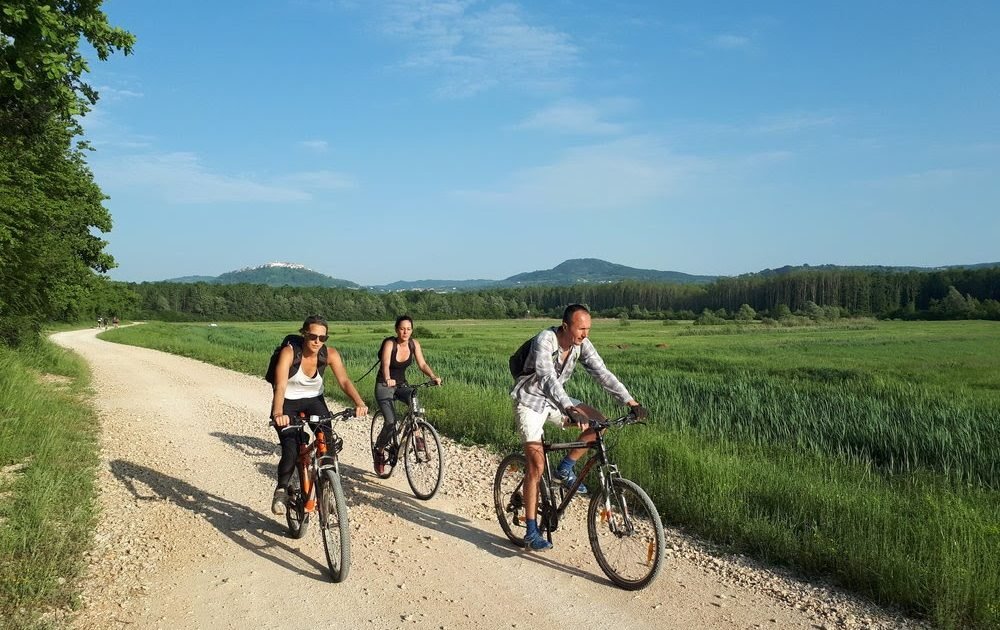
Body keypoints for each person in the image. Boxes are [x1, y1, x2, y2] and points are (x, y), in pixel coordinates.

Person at [510, 304, 642, 551]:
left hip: (557, 400)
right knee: (536, 466)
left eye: (588, 329)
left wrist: (630, 401)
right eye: (581, 328)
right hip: (530, 402)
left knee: (599, 423)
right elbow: (547, 378)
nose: (585, 334)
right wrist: (568, 408)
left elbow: (602, 373)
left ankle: (564, 468)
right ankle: (530, 530)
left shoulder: (581, 345)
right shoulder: (545, 340)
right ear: (565, 326)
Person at [269, 315, 368, 515]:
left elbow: (345, 381)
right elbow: (280, 386)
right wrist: (278, 412)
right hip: (288, 402)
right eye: (313, 336)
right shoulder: (289, 353)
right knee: (291, 448)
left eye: (322, 338)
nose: (317, 341)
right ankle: (281, 490)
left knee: (327, 443)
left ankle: (328, 492)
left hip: (315, 400)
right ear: (304, 334)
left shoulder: (329, 354)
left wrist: (359, 403)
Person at [372, 315, 442, 474]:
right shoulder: (390, 344)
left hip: (401, 384)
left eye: (408, 329)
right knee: (390, 422)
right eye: (402, 328)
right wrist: (388, 378)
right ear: (397, 329)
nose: (405, 332)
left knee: (414, 397)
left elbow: (422, 364)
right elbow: (386, 364)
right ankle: (380, 451)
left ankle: (417, 436)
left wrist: (432, 376)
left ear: (412, 330)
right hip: (385, 385)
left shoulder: (413, 344)